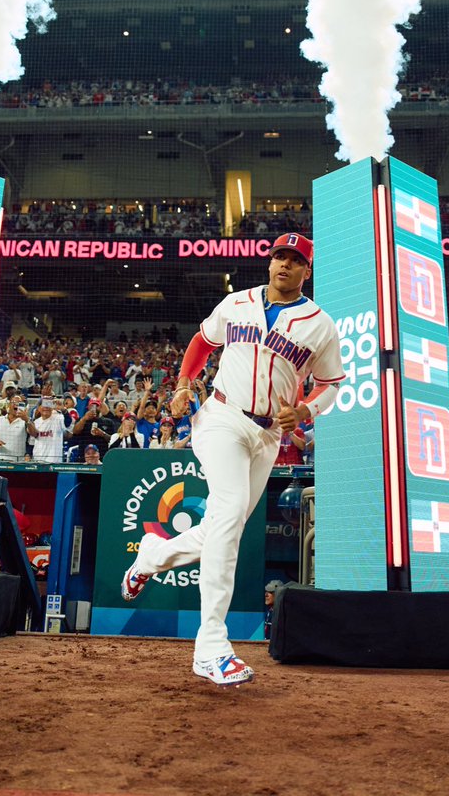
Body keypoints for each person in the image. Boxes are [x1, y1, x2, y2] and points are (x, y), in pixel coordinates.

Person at [120, 232, 344, 686]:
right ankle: (211, 646)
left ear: (307, 270)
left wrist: (305, 409)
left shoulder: (321, 324)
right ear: (269, 263)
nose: (285, 264)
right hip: (222, 417)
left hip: (268, 435)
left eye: (295, 259)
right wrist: (184, 383)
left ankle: (152, 557)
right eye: (279, 256)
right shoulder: (235, 303)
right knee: (226, 519)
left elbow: (331, 384)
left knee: (223, 526)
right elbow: (202, 343)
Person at [28, 397, 66, 464]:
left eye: (48, 404)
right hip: (38, 461)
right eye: (44, 404)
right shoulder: (36, 422)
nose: (46, 407)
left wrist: (63, 409)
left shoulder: (58, 418)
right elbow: (32, 443)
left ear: (52, 407)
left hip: (54, 462)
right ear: (39, 408)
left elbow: (67, 423)